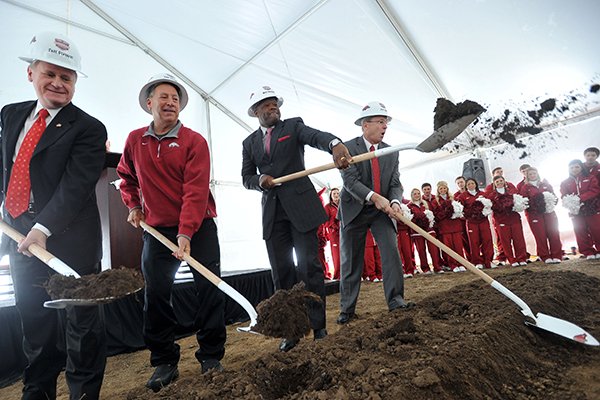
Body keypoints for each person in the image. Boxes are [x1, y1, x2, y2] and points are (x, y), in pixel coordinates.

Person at [0, 32, 107, 399]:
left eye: (67, 77)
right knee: (35, 321)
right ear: (31, 73)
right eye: (51, 74)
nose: (58, 84)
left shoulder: (88, 128)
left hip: (69, 239)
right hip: (19, 236)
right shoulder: (12, 115)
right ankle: (38, 391)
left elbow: (75, 187)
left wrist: (43, 228)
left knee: (81, 325)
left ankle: (82, 393)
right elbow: (9, 167)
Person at [117, 73, 226, 391]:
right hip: (156, 229)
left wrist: (186, 234)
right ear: (149, 103)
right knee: (157, 295)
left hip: (199, 226)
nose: (170, 102)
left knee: (208, 289)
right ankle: (164, 361)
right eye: (163, 97)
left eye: (175, 98)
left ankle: (211, 356)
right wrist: (133, 205)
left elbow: (195, 191)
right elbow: (126, 176)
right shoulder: (135, 140)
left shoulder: (194, 142)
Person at [241, 85, 351, 351]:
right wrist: (260, 180)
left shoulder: (293, 127)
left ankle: (318, 327)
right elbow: (246, 178)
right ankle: (291, 331)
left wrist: (335, 145)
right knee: (282, 273)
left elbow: (317, 137)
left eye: (274, 103)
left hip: (301, 209)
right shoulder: (249, 143)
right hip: (273, 213)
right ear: (256, 111)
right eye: (266, 105)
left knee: (309, 268)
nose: (272, 108)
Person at [337, 101, 414, 325]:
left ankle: (396, 300)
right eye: (380, 122)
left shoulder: (391, 152)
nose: (384, 126)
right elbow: (350, 181)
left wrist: (395, 201)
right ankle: (347, 309)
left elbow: (395, 182)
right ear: (365, 125)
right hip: (354, 209)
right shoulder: (346, 148)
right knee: (351, 261)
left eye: (386, 122)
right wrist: (374, 197)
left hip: (382, 212)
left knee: (391, 253)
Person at [519, 167, 563, 263]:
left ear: (537, 174)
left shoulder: (546, 184)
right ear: (527, 176)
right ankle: (545, 256)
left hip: (549, 213)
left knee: (554, 233)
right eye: (530, 174)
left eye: (534, 173)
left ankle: (557, 255)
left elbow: (554, 197)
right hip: (535, 215)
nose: (532, 175)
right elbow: (524, 201)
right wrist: (535, 205)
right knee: (540, 236)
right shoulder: (525, 187)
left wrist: (550, 204)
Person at [560, 160, 600, 260]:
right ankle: (587, 251)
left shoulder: (590, 178)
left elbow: (595, 190)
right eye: (572, 167)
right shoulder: (565, 182)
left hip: (592, 208)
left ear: (581, 167)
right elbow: (564, 196)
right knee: (580, 230)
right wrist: (570, 202)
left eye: (577, 167)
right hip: (576, 211)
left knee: (596, 230)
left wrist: (580, 198)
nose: (574, 169)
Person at [487, 176, 528, 266]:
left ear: (505, 181)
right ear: (494, 184)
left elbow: (519, 202)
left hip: (514, 219)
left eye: (501, 181)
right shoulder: (492, 195)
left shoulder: (512, 191)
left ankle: (521, 258)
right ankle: (511, 259)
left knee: (519, 239)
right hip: (501, 220)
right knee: (505, 241)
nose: (499, 183)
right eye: (497, 181)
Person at [457, 178, 494, 269]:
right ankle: (477, 262)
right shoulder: (462, 196)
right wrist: (469, 214)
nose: (470, 185)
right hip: (471, 222)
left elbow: (489, 206)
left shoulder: (482, 194)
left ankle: (488, 261)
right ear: (466, 186)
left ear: (476, 184)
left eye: (472, 183)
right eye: (468, 184)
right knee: (474, 242)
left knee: (487, 240)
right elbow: (460, 209)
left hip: (483, 221)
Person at [432, 181, 466, 272]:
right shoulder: (435, 202)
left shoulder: (454, 198)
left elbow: (460, 210)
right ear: (438, 190)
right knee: (449, 247)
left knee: (458, 246)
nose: (443, 190)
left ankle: (461, 263)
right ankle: (453, 265)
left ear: (447, 189)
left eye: (444, 188)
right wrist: (446, 212)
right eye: (441, 189)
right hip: (445, 227)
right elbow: (436, 215)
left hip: (455, 226)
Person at [407, 188, 443, 274]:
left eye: (418, 193)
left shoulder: (425, 203)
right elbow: (409, 218)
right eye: (414, 194)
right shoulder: (409, 206)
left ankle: (437, 267)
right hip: (417, 232)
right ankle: (425, 268)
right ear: (411, 195)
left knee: (433, 249)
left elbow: (431, 215)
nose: (417, 195)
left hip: (429, 230)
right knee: (421, 250)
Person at [323, 188, 341, 279]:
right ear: (331, 195)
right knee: (337, 255)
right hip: (334, 234)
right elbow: (325, 221)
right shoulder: (328, 207)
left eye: (338, 193)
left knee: (346, 253)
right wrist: (333, 226)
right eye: (334, 193)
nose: (336, 195)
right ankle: (338, 275)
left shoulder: (343, 205)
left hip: (344, 233)